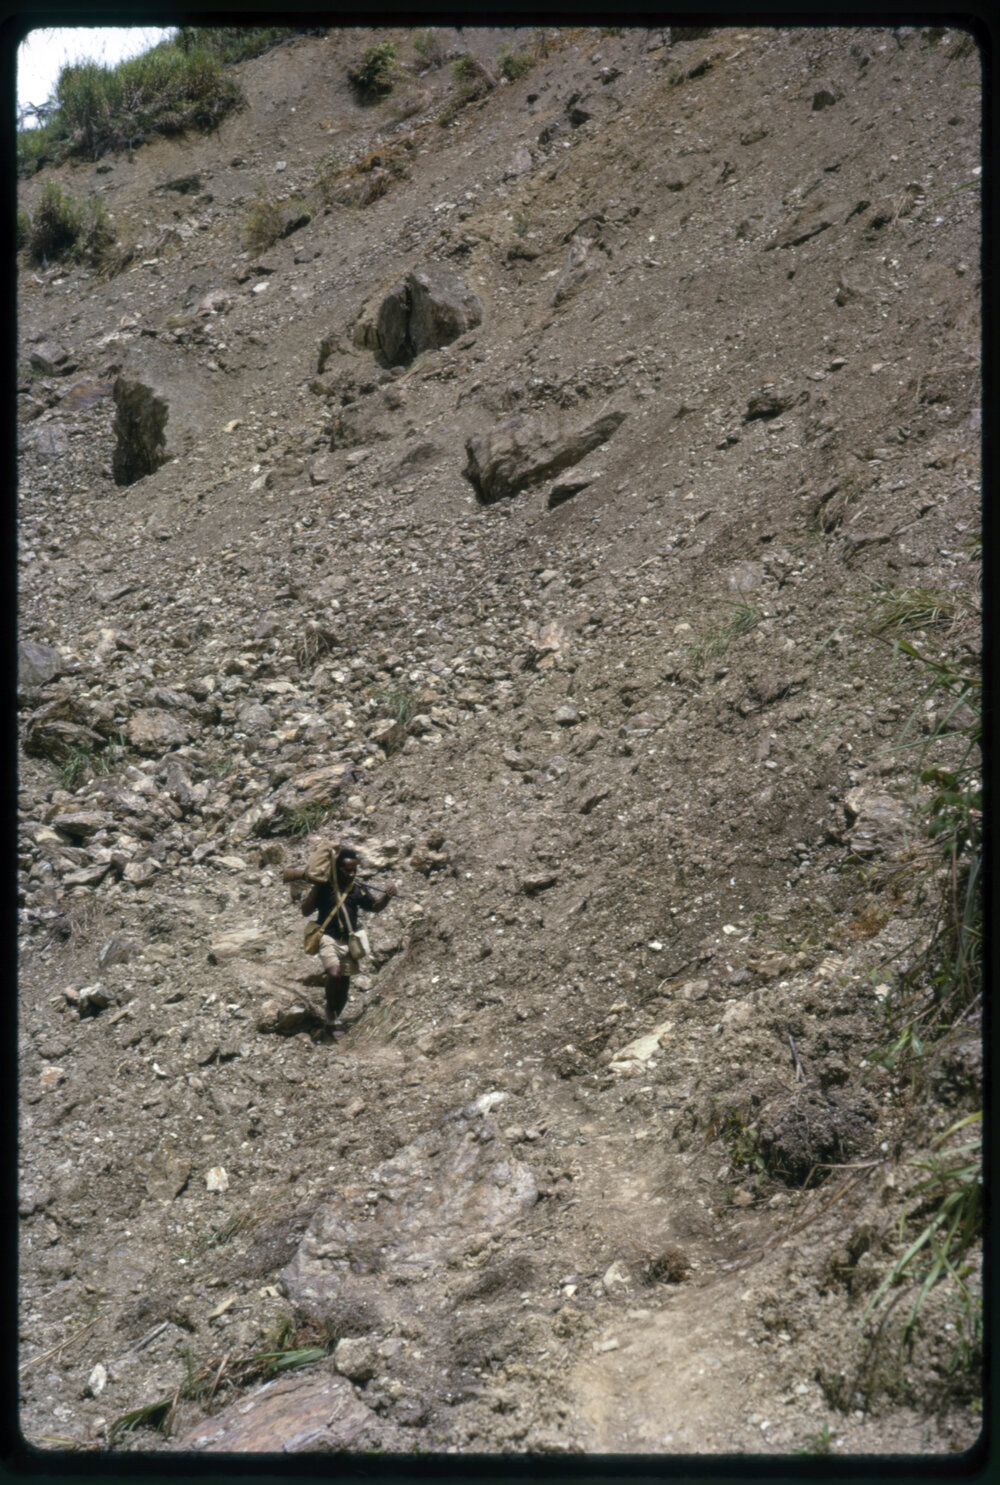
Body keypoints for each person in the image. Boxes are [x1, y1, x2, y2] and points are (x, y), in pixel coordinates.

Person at [287, 847, 396, 1029]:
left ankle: (335, 1018)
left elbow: (375, 907)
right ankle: (330, 1013)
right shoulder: (325, 887)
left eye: (354, 870)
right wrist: (317, 886)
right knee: (335, 974)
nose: (352, 874)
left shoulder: (357, 889)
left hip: (349, 941)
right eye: (347, 870)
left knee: (344, 983)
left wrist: (387, 897)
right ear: (338, 869)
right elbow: (305, 911)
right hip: (327, 938)